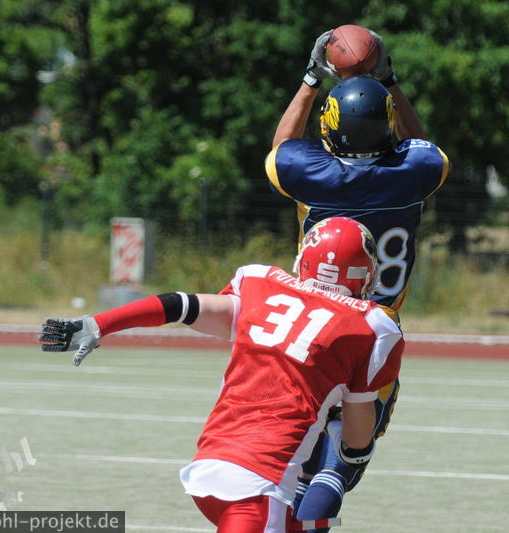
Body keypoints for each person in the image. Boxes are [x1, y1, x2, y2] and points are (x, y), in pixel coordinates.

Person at [38, 217, 404, 533]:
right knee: (332, 477)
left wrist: (100, 324)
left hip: (211, 466)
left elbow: (178, 305)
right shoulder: (371, 326)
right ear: (366, 272)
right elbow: (355, 439)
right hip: (260, 485)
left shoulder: (260, 283)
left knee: (308, 525)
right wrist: (346, 459)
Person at [265, 29, 450, 530]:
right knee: (345, 460)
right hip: (375, 328)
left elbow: (283, 146)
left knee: (301, 459)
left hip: (312, 326)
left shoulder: (309, 172)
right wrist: (389, 82)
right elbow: (420, 143)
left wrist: (311, 79)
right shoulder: (415, 169)